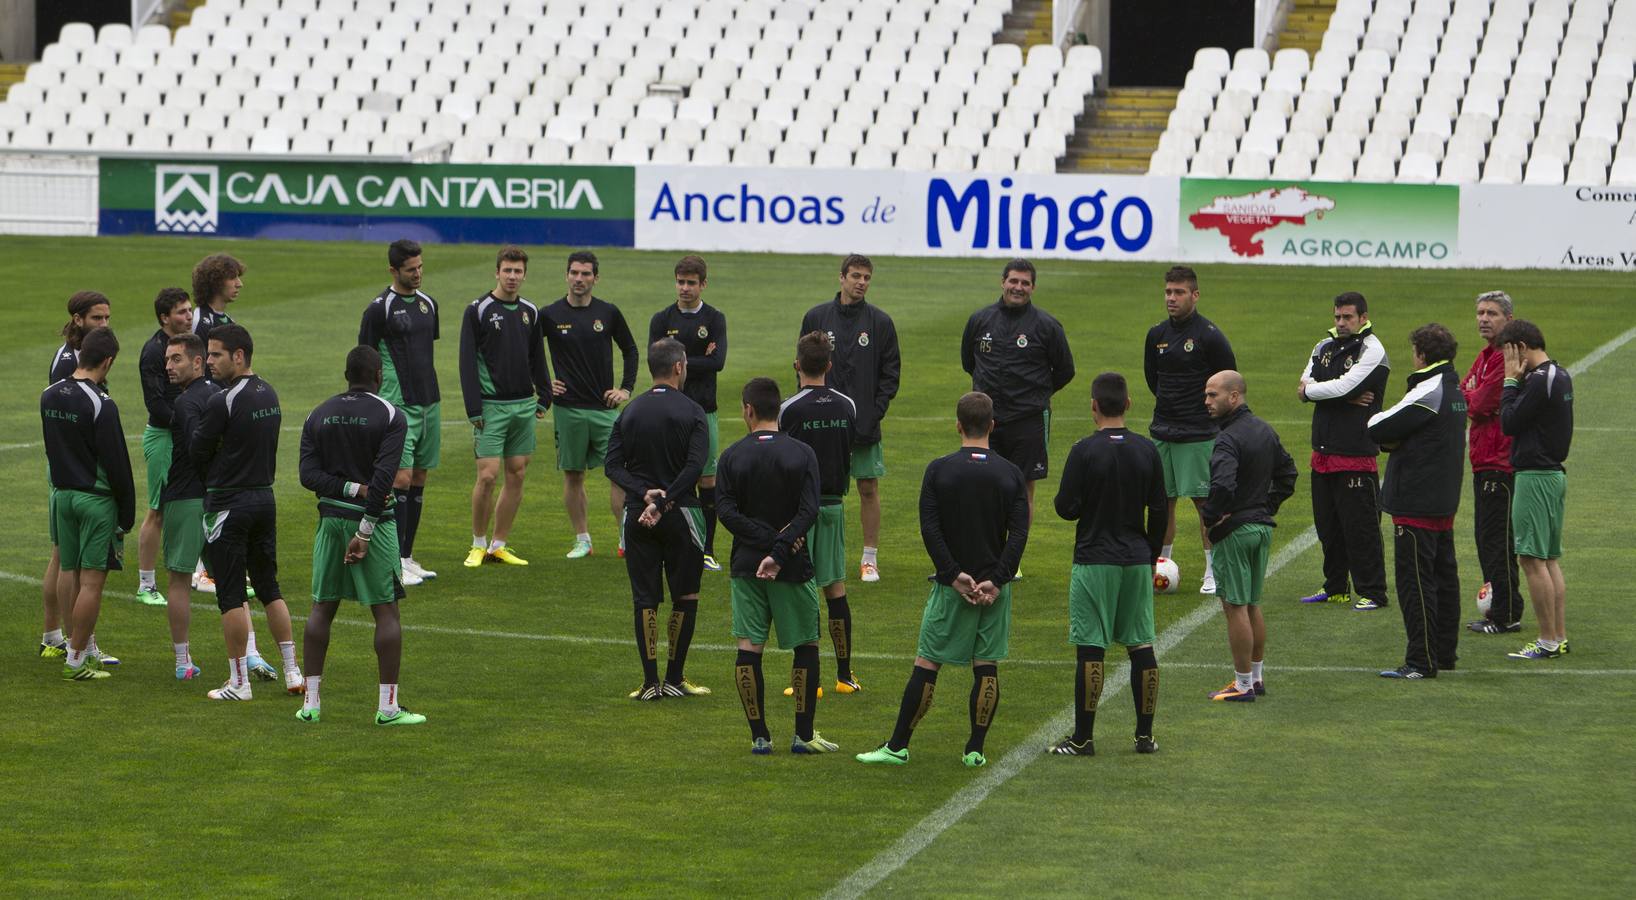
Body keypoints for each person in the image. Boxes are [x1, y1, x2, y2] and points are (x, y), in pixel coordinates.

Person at [856, 392, 1029, 768]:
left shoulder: (940, 469)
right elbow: (1018, 534)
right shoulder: (1011, 473)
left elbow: (930, 527)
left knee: (928, 663)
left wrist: (953, 576)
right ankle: (975, 750)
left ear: (958, 425)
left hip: (954, 588)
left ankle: (898, 745)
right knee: (986, 666)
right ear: (992, 426)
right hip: (993, 592)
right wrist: (997, 580)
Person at [295, 345, 426, 726]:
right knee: (385, 611)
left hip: (330, 521)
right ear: (379, 376)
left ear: (346, 374)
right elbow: (385, 479)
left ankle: (311, 704)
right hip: (375, 526)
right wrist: (365, 531)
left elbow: (308, 477)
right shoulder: (390, 415)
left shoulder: (318, 413)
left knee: (322, 607)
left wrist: (349, 489)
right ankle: (387, 708)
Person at [717, 377, 836, 755]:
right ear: (778, 410)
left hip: (746, 567)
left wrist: (763, 543)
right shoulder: (802, 454)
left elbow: (725, 512)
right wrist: (780, 548)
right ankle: (803, 735)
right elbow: (808, 511)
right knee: (806, 645)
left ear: (748, 410)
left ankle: (759, 737)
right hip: (792, 565)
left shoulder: (732, 456)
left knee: (749, 648)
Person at [1050, 373, 1166, 756]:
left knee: (1091, 648)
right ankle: (1145, 736)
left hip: (1094, 559)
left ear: (1093, 406)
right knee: (1141, 645)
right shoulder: (1147, 449)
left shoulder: (1084, 450)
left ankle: (1083, 738)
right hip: (1135, 559)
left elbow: (1065, 507)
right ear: (1129, 404)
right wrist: (1151, 557)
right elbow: (1160, 509)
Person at [190, 324, 302, 700]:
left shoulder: (223, 400)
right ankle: (292, 672)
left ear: (239, 356)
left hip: (227, 504)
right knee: (270, 588)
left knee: (232, 595)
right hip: (263, 499)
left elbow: (196, 451)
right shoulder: (268, 392)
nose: (209, 362)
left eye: (216, 354)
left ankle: (239, 682)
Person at [604, 338, 711, 701]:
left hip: (637, 515)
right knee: (686, 595)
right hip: (682, 513)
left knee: (645, 599)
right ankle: (675, 678)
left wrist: (645, 494)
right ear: (680, 366)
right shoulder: (693, 411)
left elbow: (612, 466)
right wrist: (665, 500)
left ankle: (650, 682)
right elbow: (695, 466)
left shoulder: (629, 412)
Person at [1366, 325, 1466, 679]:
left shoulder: (1429, 388)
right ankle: (1444, 653)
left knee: (1416, 583)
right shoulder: (1453, 385)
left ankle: (1421, 661)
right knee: (1443, 578)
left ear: (1421, 354)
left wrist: (1393, 438)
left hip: (1417, 501)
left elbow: (1378, 426)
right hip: (1442, 498)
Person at [960, 259, 1074, 556]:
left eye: (1025, 283)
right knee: (985, 484)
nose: (1018, 288)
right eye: (1013, 281)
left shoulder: (1047, 326)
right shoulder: (980, 320)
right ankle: (988, 548)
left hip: (1028, 419)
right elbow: (968, 363)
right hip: (986, 420)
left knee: (1023, 490)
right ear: (1003, 282)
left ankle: (1013, 555)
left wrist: (1034, 394)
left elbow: (1065, 370)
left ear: (1033, 287)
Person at [799, 254, 900, 582]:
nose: (861, 282)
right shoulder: (816, 317)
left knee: (868, 487)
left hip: (863, 426)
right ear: (841, 278)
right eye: (856, 275)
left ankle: (869, 558)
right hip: (821, 423)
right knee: (815, 489)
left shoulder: (880, 323)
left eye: (867, 277)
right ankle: (809, 550)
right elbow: (800, 366)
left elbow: (891, 374)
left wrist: (874, 413)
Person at [41, 327, 133, 681]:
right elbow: (117, 463)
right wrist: (126, 511)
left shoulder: (49, 395)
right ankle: (77, 659)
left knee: (68, 569)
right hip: (95, 499)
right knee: (92, 582)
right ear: (107, 362)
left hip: (61, 495)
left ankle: (76, 644)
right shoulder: (101, 403)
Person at [1200, 371, 1297, 702]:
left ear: (1234, 397)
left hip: (1236, 532)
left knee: (1235, 606)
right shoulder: (1264, 430)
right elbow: (1288, 474)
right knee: (1252, 604)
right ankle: (1255, 678)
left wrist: (1211, 517)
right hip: (1260, 529)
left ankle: (1242, 685)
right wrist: (1265, 506)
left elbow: (1223, 485)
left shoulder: (1227, 439)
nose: (1207, 402)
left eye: (1213, 395)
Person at [1143, 265, 1236, 595]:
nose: (1172, 298)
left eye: (1179, 292)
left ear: (1194, 295)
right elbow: (1153, 379)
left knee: (1205, 504)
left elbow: (1228, 381)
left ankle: (1212, 571)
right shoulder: (1157, 335)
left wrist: (1202, 413)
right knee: (1160, 503)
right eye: (1168, 291)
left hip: (1198, 434)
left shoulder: (1210, 335)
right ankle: (1161, 566)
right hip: (1162, 431)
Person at [1296, 291, 1390, 610]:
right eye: (1337, 316)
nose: (1341, 322)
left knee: (1361, 529)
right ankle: (1335, 587)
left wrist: (1326, 392)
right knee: (1328, 527)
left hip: (1355, 454)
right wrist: (1337, 393)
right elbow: (1302, 387)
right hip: (1322, 453)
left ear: (1363, 317)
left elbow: (1342, 386)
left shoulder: (1372, 349)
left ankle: (1374, 591)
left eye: (1347, 317)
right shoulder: (1323, 346)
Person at [459, 246, 552, 567]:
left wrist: (545, 396)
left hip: (524, 406)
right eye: (507, 271)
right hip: (491, 408)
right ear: (496, 272)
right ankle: (477, 543)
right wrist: (473, 408)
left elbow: (537, 356)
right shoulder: (478, 310)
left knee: (517, 473)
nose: (512, 277)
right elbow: (466, 363)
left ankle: (498, 545)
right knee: (487, 476)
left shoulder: (530, 311)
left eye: (518, 272)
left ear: (525, 274)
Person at [778, 331, 861, 694]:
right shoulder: (847, 405)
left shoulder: (788, 408)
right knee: (835, 588)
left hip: (799, 510)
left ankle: (808, 681)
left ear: (797, 365)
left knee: (801, 588)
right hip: (833, 506)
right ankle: (845, 676)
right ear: (829, 365)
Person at [543, 250, 639, 559]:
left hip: (604, 409)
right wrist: (542, 384)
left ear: (596, 278)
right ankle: (582, 539)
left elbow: (631, 350)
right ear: (566, 275)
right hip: (568, 409)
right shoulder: (550, 314)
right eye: (574, 273)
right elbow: (528, 353)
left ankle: (625, 538)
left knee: (618, 473)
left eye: (586, 274)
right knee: (573, 474)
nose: (579, 279)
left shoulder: (608, 313)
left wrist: (624, 389)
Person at [358, 238, 442, 586]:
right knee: (401, 479)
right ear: (393, 270)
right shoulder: (379, 309)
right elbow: (363, 359)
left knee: (419, 478)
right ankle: (391, 558)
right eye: (411, 270)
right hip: (398, 407)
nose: (418, 274)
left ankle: (407, 557)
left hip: (429, 404)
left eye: (420, 267)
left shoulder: (428, 304)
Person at [40, 291, 113, 662]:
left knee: (63, 556)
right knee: (66, 557)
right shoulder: (70, 361)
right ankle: (71, 640)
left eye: (106, 318)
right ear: (78, 319)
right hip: (71, 469)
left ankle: (58, 636)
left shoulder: (81, 354)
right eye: (96, 318)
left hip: (68, 466)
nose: (103, 324)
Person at [1498, 319, 1574, 661]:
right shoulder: (1559, 374)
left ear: (1521, 349)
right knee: (1547, 559)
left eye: (1508, 354)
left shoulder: (1538, 380)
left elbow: (1509, 422)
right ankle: (1558, 636)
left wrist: (1510, 381)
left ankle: (1546, 640)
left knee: (1531, 559)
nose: (1507, 362)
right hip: (1552, 474)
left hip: (1535, 475)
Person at [649, 255, 728, 570]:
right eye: (680, 282)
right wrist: (696, 358)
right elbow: (656, 363)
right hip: (668, 409)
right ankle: (672, 543)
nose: (685, 288)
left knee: (707, 481)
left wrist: (677, 358)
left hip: (704, 410)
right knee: (668, 477)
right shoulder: (661, 318)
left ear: (703, 284)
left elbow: (718, 362)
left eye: (691, 283)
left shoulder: (715, 318)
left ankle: (706, 550)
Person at [1463, 291, 1523, 634]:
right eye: (1480, 312)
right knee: (1486, 539)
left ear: (1508, 320)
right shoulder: (1487, 355)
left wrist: (1473, 394)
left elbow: (1480, 403)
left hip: (1500, 461)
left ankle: (1506, 612)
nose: (1483, 318)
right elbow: (1464, 390)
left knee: (1496, 540)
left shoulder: (1504, 357)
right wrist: (1472, 393)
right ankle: (1503, 607)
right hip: (1484, 459)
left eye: (1492, 313)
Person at [160, 332, 218, 680]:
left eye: (176, 359)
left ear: (198, 362)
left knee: (180, 580)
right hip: (219, 496)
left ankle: (183, 662)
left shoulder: (184, 403)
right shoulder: (221, 395)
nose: (168, 366)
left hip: (185, 496)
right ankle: (249, 656)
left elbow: (198, 448)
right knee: (228, 579)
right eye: (167, 359)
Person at [135, 287, 194, 607]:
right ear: (164, 318)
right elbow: (156, 405)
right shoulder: (153, 352)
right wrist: (190, 424)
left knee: (192, 505)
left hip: (182, 435)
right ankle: (146, 584)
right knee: (158, 509)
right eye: (182, 312)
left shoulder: (185, 345)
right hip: (163, 437)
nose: (189, 316)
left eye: (189, 310)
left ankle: (196, 572)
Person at [190, 253, 243, 339]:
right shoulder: (199, 322)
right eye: (232, 277)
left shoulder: (230, 322)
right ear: (216, 282)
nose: (240, 284)